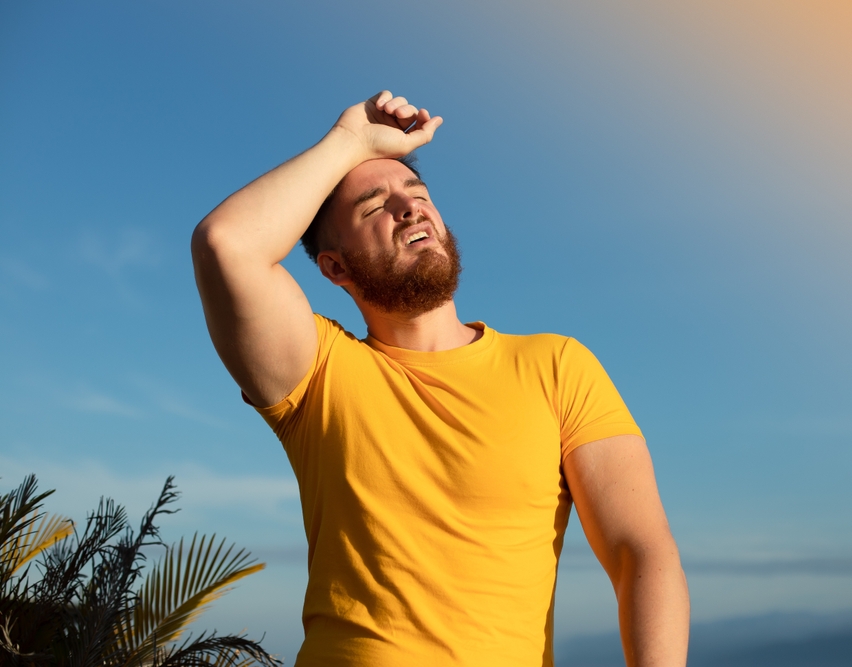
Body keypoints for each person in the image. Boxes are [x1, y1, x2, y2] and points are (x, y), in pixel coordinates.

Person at [191, 91, 689, 667]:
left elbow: (640, 551)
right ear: (334, 267)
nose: (410, 209)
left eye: (419, 195)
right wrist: (351, 142)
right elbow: (226, 245)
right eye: (375, 207)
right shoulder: (319, 373)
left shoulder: (557, 366)